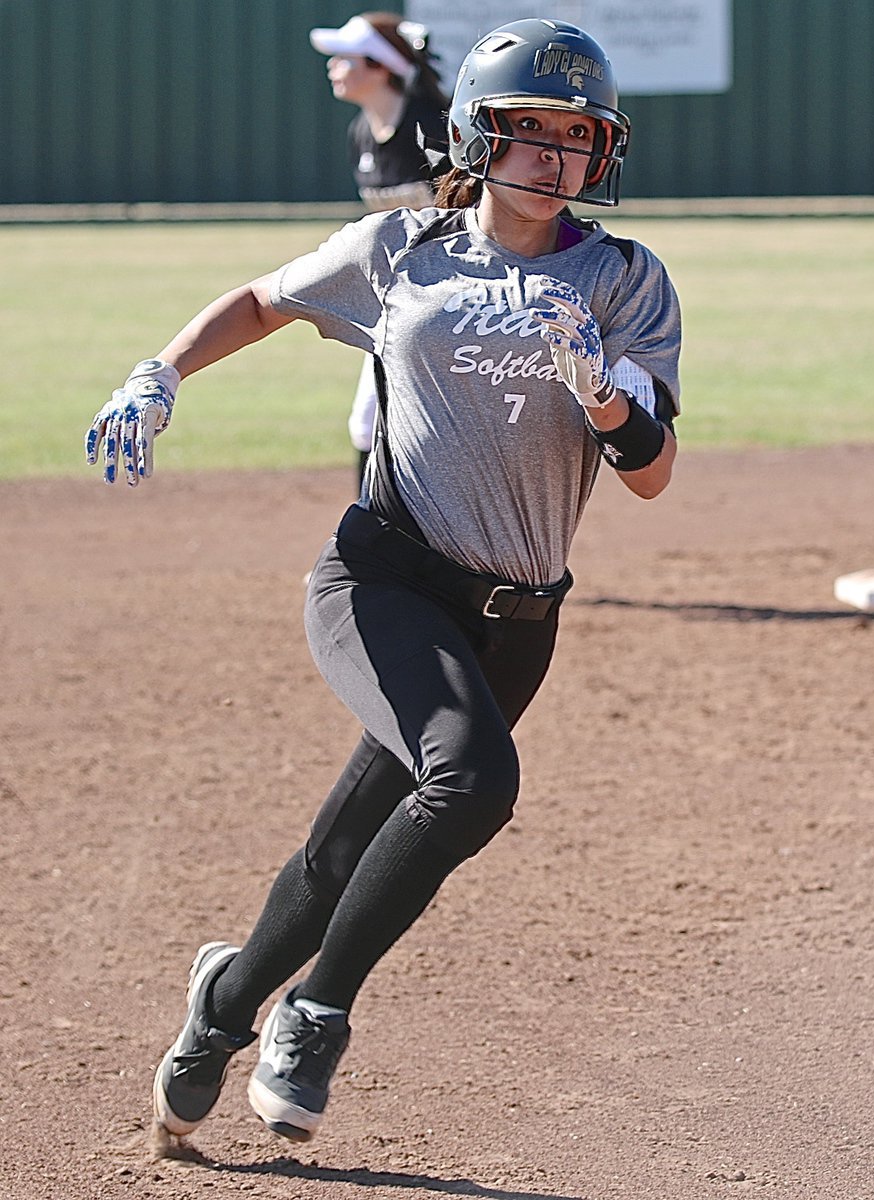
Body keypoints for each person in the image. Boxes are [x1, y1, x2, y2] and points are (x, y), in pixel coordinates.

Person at [85, 18, 681, 1148]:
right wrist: (158, 374)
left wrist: (602, 391)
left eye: (576, 136)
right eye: (527, 133)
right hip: (381, 577)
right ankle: (317, 1012)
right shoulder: (405, 249)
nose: (553, 159)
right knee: (469, 782)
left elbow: (649, 474)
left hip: (518, 619)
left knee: (344, 850)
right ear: (475, 134)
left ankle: (220, 1006)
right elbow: (265, 299)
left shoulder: (623, 281)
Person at [309, 11, 449, 493]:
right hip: (402, 303)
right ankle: (368, 551)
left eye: (345, 58)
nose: (332, 67)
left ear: (381, 66)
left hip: (462, 300)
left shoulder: (433, 129)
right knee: (367, 422)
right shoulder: (361, 135)